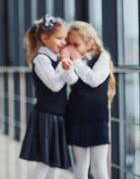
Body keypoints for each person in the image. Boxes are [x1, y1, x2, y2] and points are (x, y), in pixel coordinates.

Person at [19, 15, 77, 179]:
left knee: (54, 165)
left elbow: (72, 80)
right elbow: (55, 85)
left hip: (58, 116)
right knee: (43, 164)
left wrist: (67, 65)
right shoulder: (41, 60)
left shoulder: (58, 59)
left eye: (65, 38)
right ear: (45, 38)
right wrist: (63, 65)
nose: (63, 42)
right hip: (46, 116)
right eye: (59, 38)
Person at [65, 21, 116, 179]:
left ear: (90, 42)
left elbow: (93, 79)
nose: (72, 48)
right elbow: (72, 81)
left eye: (76, 44)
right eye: (69, 44)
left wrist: (76, 60)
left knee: (99, 166)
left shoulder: (103, 57)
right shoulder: (74, 59)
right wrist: (66, 67)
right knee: (80, 166)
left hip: (97, 118)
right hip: (76, 116)